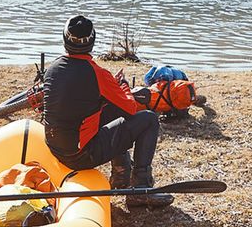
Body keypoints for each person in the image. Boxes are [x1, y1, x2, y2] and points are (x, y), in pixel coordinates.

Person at [42, 15, 172, 209]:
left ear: (65, 40)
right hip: (80, 155)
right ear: (92, 42)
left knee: (109, 110)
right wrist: (123, 87)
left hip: (56, 147)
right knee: (149, 120)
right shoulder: (98, 73)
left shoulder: (52, 69)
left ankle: (121, 175)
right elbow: (130, 108)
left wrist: (111, 90)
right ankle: (141, 189)